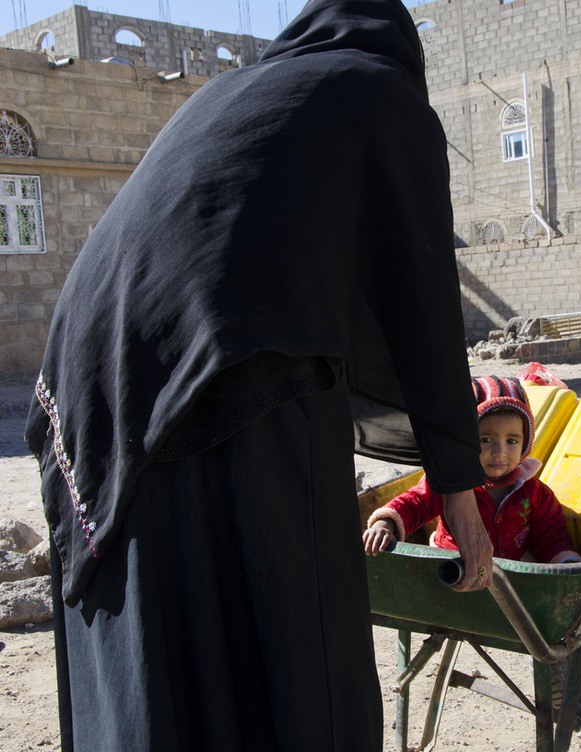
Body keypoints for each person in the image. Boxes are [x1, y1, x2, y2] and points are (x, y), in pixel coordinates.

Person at [24, 2, 493, 750]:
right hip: (235, 365)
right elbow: (422, 304)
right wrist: (459, 495)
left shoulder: (241, 92)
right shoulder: (382, 94)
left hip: (97, 365)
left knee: (168, 627)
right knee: (296, 642)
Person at [364, 376, 581, 565]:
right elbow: (415, 502)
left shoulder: (534, 492)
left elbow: (550, 534)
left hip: (513, 570)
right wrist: (386, 524)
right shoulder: (451, 481)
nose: (500, 452)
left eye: (512, 441)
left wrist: (564, 561)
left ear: (526, 442)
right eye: (486, 439)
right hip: (453, 564)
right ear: (466, 441)